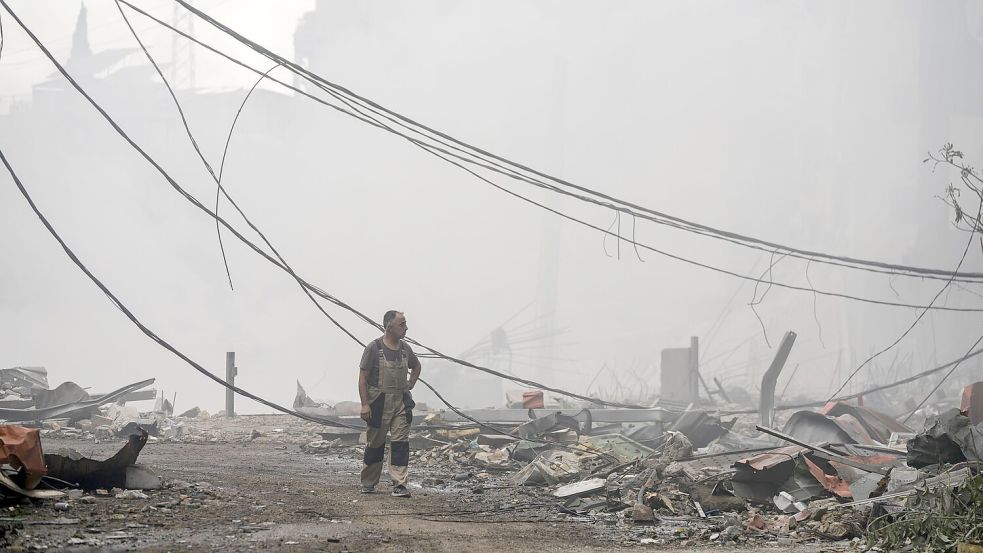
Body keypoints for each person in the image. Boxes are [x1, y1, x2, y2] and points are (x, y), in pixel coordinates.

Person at [358, 310, 421, 497]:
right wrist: (364, 405)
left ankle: (400, 484)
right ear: (389, 327)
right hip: (378, 403)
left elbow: (416, 366)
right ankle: (369, 482)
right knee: (375, 443)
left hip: (401, 402)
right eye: (402, 324)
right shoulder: (373, 348)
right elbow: (363, 378)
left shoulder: (405, 349)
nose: (406, 328)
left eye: (405, 324)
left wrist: (410, 384)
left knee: (400, 443)